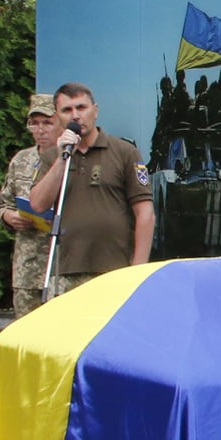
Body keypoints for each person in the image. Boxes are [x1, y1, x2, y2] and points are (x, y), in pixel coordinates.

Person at [25, 82, 153, 297]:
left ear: (95, 110)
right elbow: (37, 204)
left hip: (115, 269)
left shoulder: (124, 152)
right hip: (66, 271)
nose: (75, 116)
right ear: (57, 117)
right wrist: (61, 159)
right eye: (67, 110)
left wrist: (137, 269)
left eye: (81, 108)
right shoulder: (51, 157)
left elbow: (145, 213)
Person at [0, 94, 59, 317]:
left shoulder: (73, 159)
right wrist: (8, 217)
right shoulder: (21, 160)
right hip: (28, 266)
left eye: (47, 123)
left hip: (61, 266)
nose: (40, 130)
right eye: (35, 123)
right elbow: (4, 202)